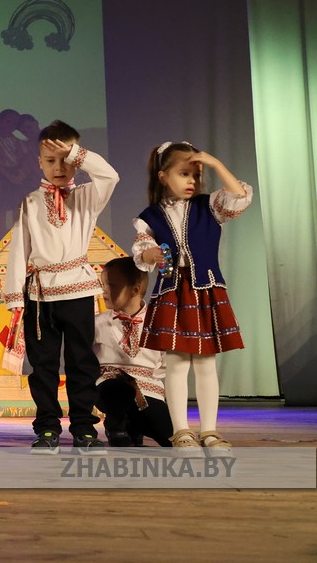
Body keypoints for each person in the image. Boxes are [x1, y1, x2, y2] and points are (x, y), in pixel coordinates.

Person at [4, 120, 118, 455]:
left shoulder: (87, 196)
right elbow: (19, 250)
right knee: (44, 366)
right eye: (51, 160)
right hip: (40, 294)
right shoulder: (30, 202)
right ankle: (47, 426)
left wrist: (75, 152)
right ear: (39, 162)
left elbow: (110, 176)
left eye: (65, 160)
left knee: (82, 362)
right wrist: (15, 299)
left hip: (78, 290)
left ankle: (84, 426)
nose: (59, 167)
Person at [132, 141, 251, 450]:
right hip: (173, 292)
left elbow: (239, 196)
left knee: (206, 363)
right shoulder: (150, 216)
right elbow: (142, 251)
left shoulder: (209, 206)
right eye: (184, 174)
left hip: (205, 289)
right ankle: (181, 430)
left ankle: (209, 430)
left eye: (196, 175)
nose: (192, 181)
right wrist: (150, 254)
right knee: (176, 364)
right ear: (163, 177)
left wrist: (216, 164)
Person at [94, 256, 172, 447]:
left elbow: (166, 363)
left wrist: (145, 377)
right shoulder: (97, 323)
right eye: (103, 285)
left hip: (147, 387)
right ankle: (116, 425)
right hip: (109, 385)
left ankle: (134, 427)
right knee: (119, 390)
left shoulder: (158, 323)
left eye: (111, 285)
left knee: (166, 433)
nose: (104, 291)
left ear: (135, 290)